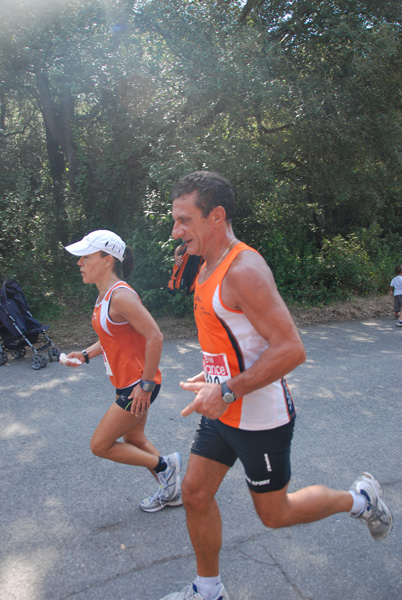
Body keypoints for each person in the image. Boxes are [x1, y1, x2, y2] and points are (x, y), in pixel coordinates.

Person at [160, 172, 393, 600]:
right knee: (194, 493)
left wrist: (226, 387)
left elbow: (290, 349)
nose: (176, 231)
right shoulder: (205, 265)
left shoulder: (244, 268)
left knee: (275, 514)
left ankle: (359, 499)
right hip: (221, 407)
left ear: (216, 216)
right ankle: (208, 591)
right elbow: (234, 338)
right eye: (174, 220)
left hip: (259, 419)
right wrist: (212, 376)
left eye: (184, 220)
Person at [64, 229, 182, 512]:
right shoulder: (105, 296)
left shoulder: (120, 296)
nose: (79, 263)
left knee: (101, 445)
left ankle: (166, 465)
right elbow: (111, 336)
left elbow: (155, 336)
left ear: (107, 260)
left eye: (86, 257)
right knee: (134, 439)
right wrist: (85, 354)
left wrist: (145, 385)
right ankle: (172, 491)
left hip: (138, 386)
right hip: (129, 383)